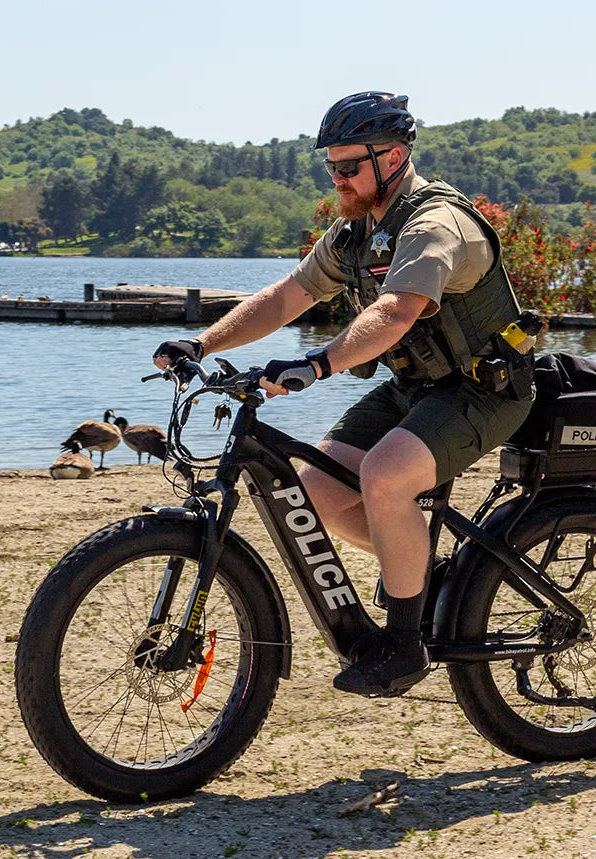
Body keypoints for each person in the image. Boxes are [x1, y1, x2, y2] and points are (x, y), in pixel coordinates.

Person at [153, 92, 536, 697]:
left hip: (482, 390)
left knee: (384, 476)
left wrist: (318, 364)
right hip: (414, 389)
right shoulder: (356, 234)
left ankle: (405, 644)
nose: (338, 178)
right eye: (330, 166)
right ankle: (423, 569)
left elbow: (396, 310)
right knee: (318, 494)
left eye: (349, 166)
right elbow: (287, 297)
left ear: (393, 156)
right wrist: (201, 344)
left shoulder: (435, 225)